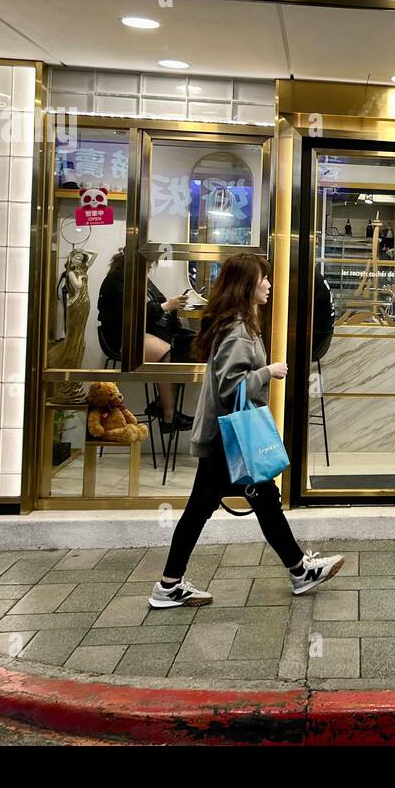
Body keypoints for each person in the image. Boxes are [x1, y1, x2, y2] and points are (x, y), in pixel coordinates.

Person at [150, 253, 344, 608]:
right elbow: (230, 386)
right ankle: (298, 571)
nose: (269, 285)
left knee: (246, 503)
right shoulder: (238, 330)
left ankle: (171, 583)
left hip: (223, 438)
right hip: (229, 440)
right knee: (243, 504)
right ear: (246, 286)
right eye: (262, 280)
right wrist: (268, 372)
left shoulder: (236, 323)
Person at [97, 248, 192, 432]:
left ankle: (160, 403)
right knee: (167, 355)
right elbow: (133, 315)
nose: (148, 271)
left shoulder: (142, 280)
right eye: (147, 267)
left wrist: (172, 305)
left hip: (143, 333)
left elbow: (158, 302)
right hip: (122, 337)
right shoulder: (115, 282)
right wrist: (166, 306)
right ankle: (168, 417)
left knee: (183, 351)